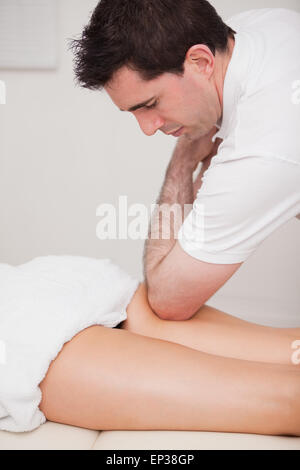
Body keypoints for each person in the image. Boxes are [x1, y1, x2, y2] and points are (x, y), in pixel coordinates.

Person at [71, 0, 300, 321]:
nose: (148, 128)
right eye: (133, 112)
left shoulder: (261, 145)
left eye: (150, 104)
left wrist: (182, 162)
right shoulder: (265, 25)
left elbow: (168, 300)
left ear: (201, 61)